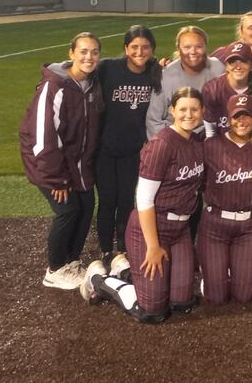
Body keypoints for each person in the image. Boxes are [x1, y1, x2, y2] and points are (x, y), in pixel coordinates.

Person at [82, 87, 205, 323]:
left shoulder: (197, 142)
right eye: (182, 109)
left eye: (194, 109)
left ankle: (125, 269)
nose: (188, 114)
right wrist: (153, 246)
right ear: (171, 111)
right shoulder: (162, 144)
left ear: (202, 111)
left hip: (179, 231)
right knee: (152, 311)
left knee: (182, 303)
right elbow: (144, 199)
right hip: (151, 229)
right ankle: (99, 279)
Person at [20, 32, 102, 289]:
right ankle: (55, 269)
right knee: (67, 210)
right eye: (83, 51)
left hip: (77, 164)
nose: (89, 57)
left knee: (87, 206)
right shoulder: (54, 86)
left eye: (94, 52)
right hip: (49, 163)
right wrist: (56, 179)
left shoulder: (91, 84)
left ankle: (71, 262)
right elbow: (44, 137)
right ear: (71, 54)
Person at [95, 25, 161, 267]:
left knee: (125, 200)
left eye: (145, 47)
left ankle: (122, 249)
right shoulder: (108, 68)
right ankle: (105, 250)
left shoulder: (156, 72)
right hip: (104, 148)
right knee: (107, 200)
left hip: (133, 150)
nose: (139, 51)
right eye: (134, 47)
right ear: (125, 49)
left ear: (152, 50)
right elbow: (74, 71)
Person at [198, 94, 252, 305]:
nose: (242, 121)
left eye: (247, 116)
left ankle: (236, 273)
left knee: (245, 296)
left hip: (249, 226)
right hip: (215, 225)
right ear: (228, 118)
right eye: (237, 117)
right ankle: (210, 278)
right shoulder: (210, 145)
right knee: (216, 297)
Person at [146, 25, 224, 139]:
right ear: (178, 48)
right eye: (187, 47)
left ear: (206, 47)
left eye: (199, 46)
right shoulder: (166, 75)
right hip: (176, 136)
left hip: (208, 135)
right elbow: (154, 120)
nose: (193, 52)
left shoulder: (218, 68)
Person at [202, 41, 252, 139]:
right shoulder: (211, 89)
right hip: (219, 143)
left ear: (251, 65)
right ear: (226, 66)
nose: (238, 66)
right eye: (232, 62)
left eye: (243, 61)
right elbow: (210, 132)